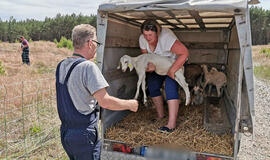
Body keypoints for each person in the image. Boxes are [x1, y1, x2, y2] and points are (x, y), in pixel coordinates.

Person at [55, 24, 138, 160]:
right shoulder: (88, 67)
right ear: (89, 43)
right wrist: (130, 104)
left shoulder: (62, 65)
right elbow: (105, 102)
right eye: (97, 43)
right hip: (84, 135)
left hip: (66, 134)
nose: (97, 47)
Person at [139, 19, 189, 133]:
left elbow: (184, 53)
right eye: (145, 34)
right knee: (152, 85)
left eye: (150, 35)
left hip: (174, 64)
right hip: (158, 66)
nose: (147, 38)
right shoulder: (142, 39)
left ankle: (171, 125)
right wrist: (149, 65)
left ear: (158, 33)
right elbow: (146, 57)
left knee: (170, 87)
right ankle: (160, 116)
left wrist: (172, 71)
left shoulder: (167, 37)